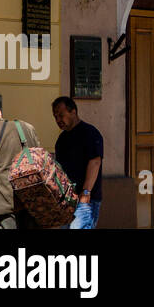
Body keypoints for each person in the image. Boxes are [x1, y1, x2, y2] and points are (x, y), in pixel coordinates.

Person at [52, 97, 103, 229]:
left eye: (61, 115)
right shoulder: (61, 139)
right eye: (55, 116)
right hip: (66, 201)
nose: (58, 120)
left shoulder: (90, 133)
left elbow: (95, 162)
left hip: (84, 200)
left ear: (73, 112)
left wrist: (86, 193)